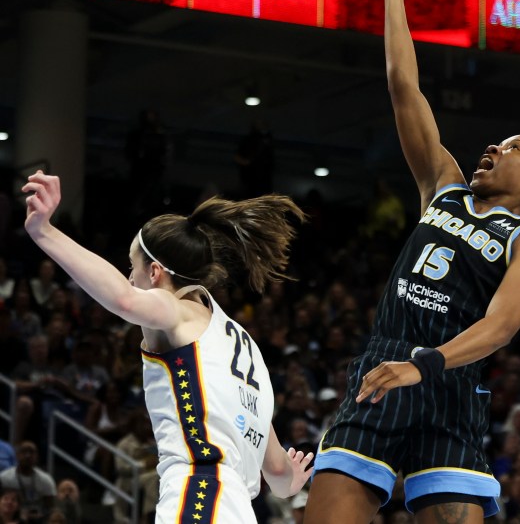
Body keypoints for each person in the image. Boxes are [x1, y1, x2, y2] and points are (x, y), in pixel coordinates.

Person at [304, 0, 520, 524]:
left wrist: (424, 365)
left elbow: (501, 326)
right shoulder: (442, 187)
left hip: (450, 383)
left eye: (514, 145)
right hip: (382, 367)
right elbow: (404, 91)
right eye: (498, 141)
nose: (495, 146)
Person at [21, 174, 314, 523]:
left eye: (132, 267)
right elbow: (279, 474)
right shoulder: (247, 351)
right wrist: (289, 481)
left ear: (156, 273)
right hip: (238, 509)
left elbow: (124, 299)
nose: (130, 278)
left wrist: (44, 231)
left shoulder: (178, 312)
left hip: (199, 492)